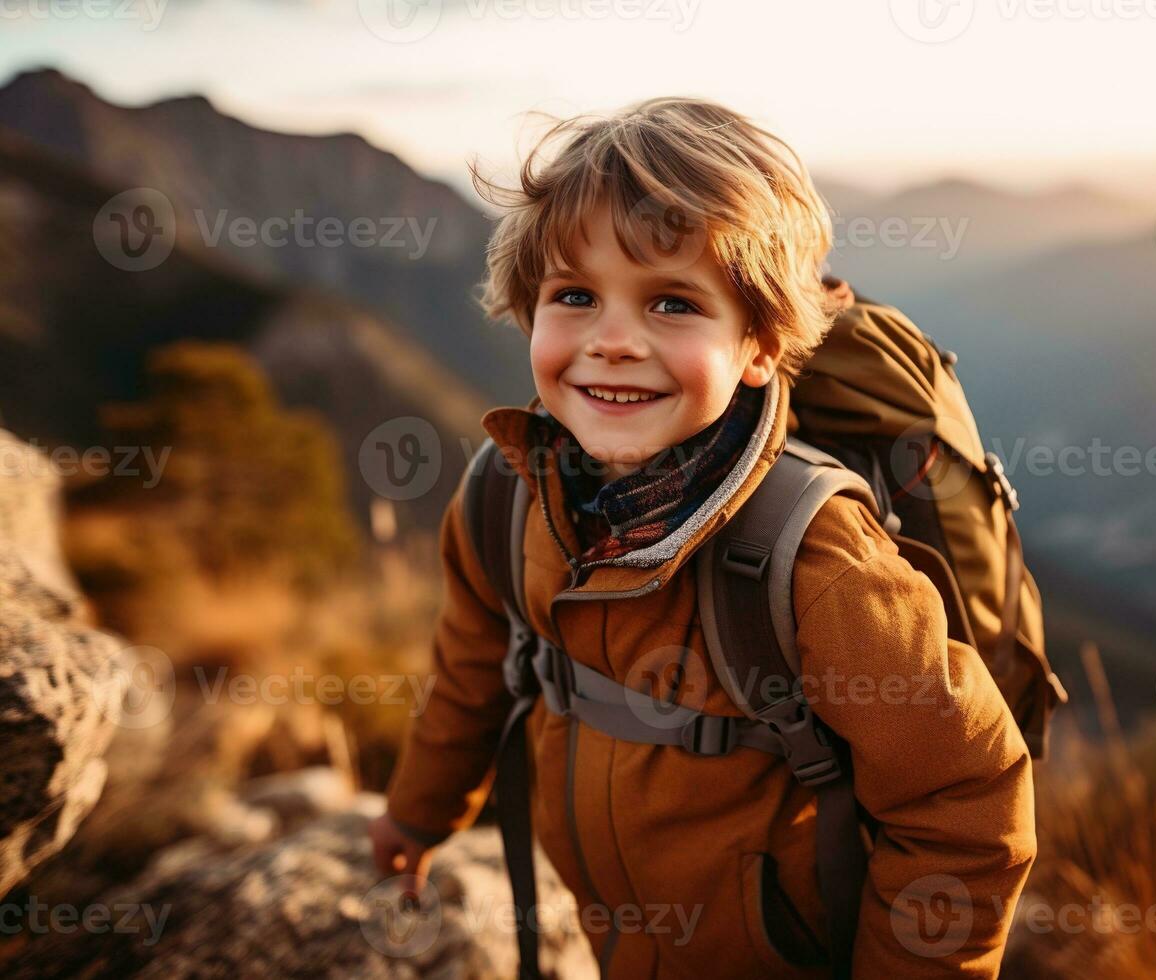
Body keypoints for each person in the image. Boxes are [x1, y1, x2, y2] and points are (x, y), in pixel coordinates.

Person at [369, 96, 1036, 978]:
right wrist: (419, 812)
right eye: (574, 295)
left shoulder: (816, 561)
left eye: (673, 304)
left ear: (759, 346)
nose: (611, 341)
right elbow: (472, 665)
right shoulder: (508, 499)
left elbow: (965, 798)